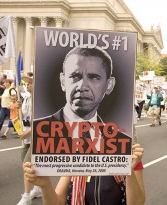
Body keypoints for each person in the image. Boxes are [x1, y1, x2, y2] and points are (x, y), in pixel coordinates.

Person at [30, 46, 145, 204]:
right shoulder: (46, 132)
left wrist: (129, 169)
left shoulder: (124, 144)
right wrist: (44, 185)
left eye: (94, 77)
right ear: (63, 81)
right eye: (75, 76)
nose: (82, 85)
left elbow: (137, 203)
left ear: (109, 84)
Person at [17, 74, 42, 205]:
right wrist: (18, 106)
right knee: (28, 164)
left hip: (35, 136)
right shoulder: (27, 98)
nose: (27, 85)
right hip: (26, 137)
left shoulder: (40, 100)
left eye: (30, 83)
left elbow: (44, 121)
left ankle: (26, 196)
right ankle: (37, 188)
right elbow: (25, 115)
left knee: (27, 164)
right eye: (26, 84)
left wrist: (30, 132)